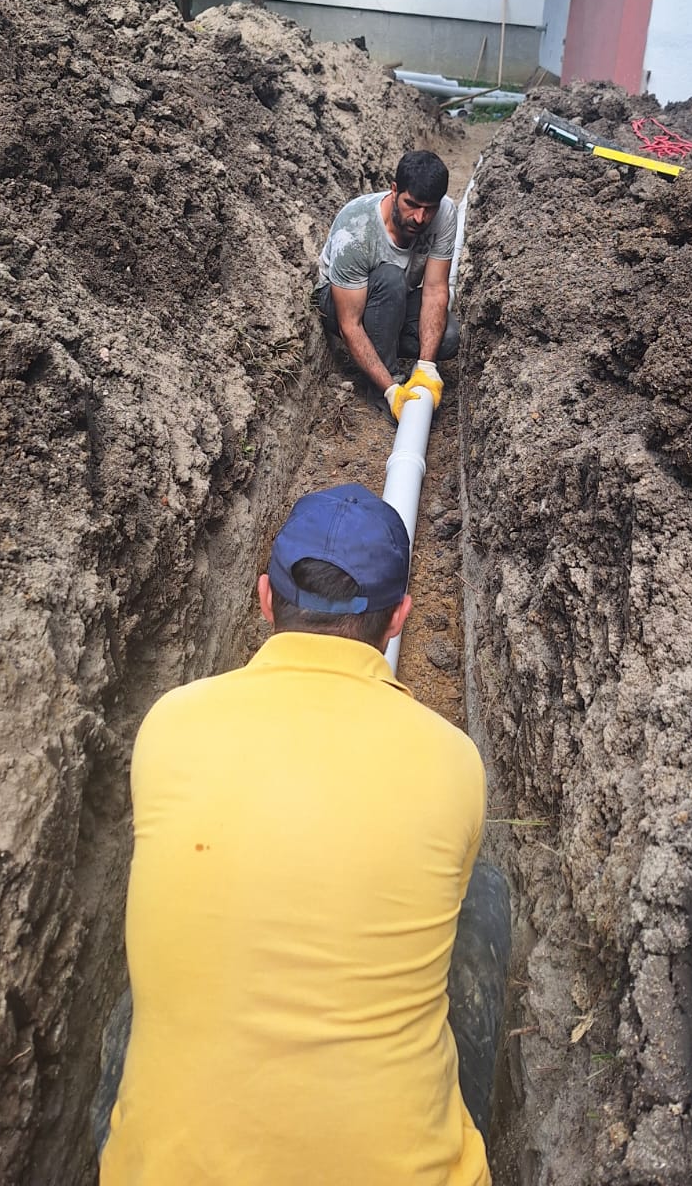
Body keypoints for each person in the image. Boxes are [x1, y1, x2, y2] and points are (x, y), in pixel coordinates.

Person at [97, 484, 507, 1186]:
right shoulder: (453, 762)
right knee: (482, 889)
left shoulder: (170, 723)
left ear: (264, 599)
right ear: (400, 618)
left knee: (147, 991)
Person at [315, 150, 459, 420]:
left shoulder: (445, 214)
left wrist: (426, 366)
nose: (420, 218)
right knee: (390, 279)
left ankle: (386, 344)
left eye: (430, 209)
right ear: (394, 190)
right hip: (339, 301)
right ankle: (382, 384)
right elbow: (350, 325)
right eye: (412, 205)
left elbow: (435, 289)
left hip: (394, 296)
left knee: (448, 339)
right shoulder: (356, 231)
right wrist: (392, 389)